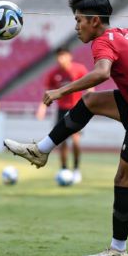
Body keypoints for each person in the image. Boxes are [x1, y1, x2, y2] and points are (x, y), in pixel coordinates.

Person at [4, 0, 128, 256]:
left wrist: (61, 91)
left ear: (94, 21)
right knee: (90, 101)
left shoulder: (101, 42)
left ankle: (118, 250)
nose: (76, 27)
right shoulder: (126, 33)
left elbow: (101, 73)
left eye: (78, 20)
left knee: (123, 181)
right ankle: (41, 150)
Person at [35, 47, 88, 183]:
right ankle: (64, 169)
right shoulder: (53, 74)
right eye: (58, 56)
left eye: (63, 56)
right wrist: (42, 108)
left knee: (76, 141)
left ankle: (76, 169)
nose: (60, 59)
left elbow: (90, 86)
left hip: (77, 109)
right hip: (61, 111)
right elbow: (47, 92)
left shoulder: (79, 69)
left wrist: (90, 100)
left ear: (70, 56)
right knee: (62, 142)